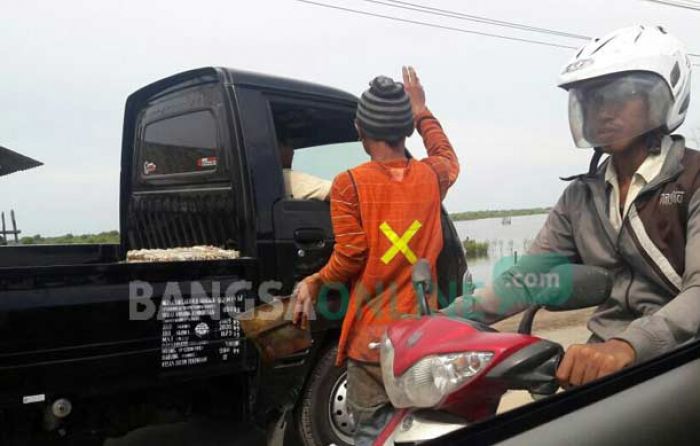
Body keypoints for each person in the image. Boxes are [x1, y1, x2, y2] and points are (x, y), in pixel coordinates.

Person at [447, 25, 698, 388]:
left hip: (681, 359)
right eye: (593, 100)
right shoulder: (581, 197)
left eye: (620, 95)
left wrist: (627, 344)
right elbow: (525, 279)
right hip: (600, 363)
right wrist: (445, 318)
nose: (603, 112)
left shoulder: (692, 178)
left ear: (661, 98)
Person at [292, 66, 459, 444]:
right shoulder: (431, 177)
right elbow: (446, 156)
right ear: (405, 130)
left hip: (369, 344)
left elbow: (351, 255)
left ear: (359, 130)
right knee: (419, 431)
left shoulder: (349, 184)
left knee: (373, 434)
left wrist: (315, 280)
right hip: (419, 339)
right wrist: (422, 111)